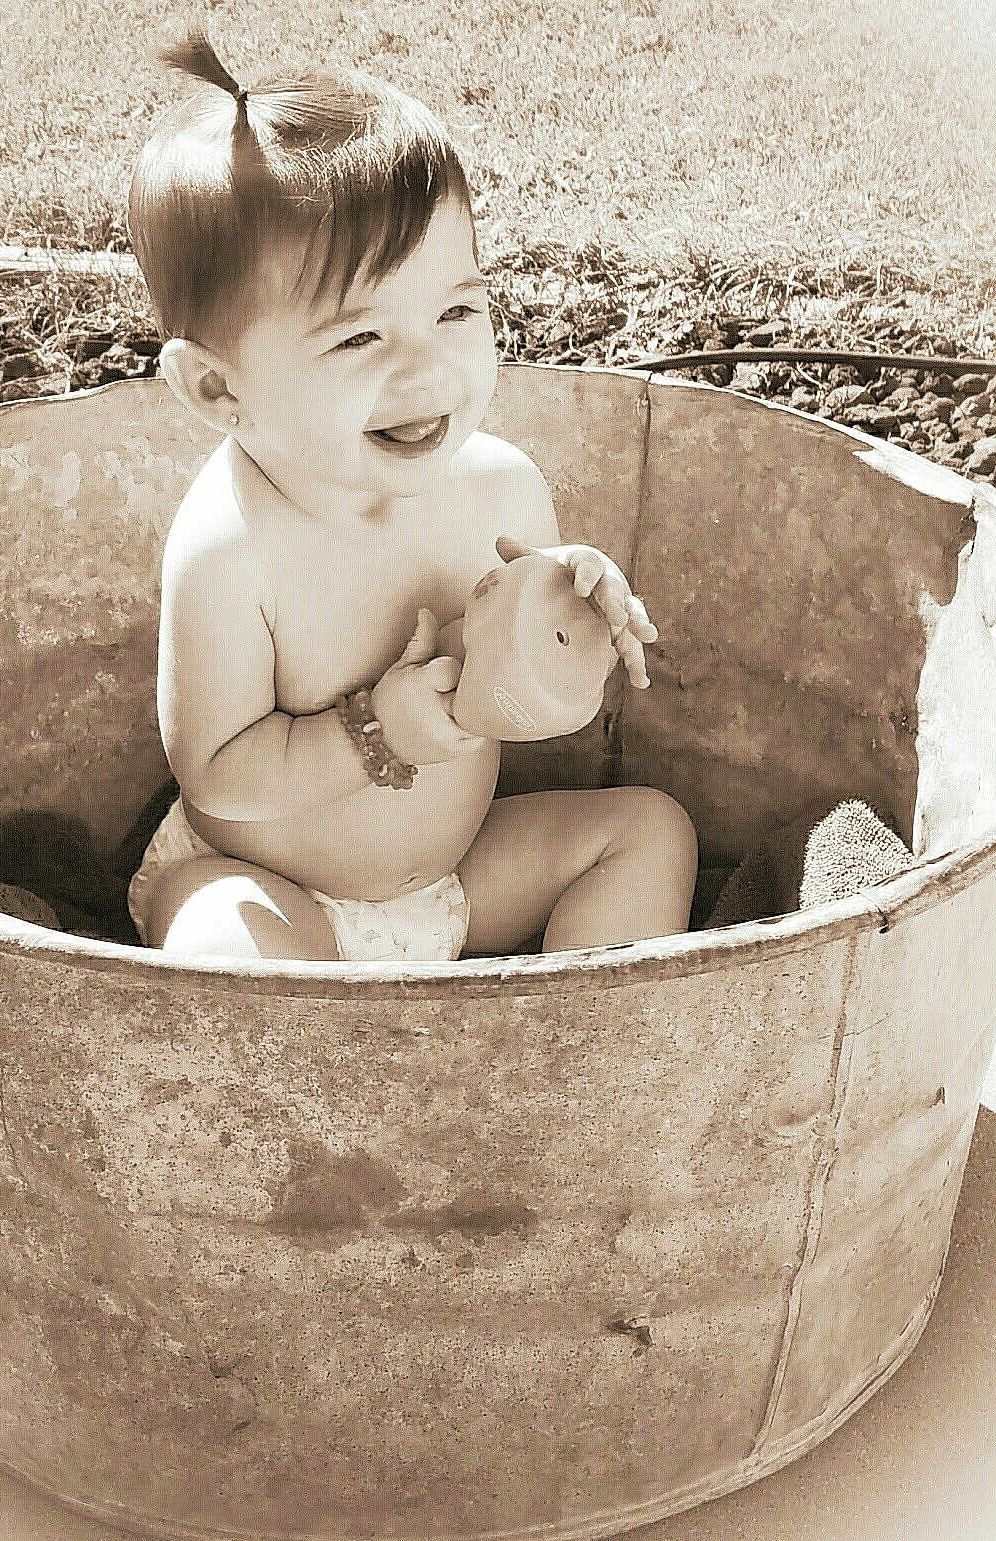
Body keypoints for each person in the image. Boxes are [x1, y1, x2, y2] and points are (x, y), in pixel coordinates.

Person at [124, 29, 697, 962]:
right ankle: (324, 1076)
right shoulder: (230, 551)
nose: (428, 369)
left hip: (453, 880)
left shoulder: (503, 488)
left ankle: (583, 1059)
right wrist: (371, 735)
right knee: (221, 942)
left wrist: (571, 609)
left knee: (648, 828)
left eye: (456, 311)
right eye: (359, 339)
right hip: (273, 890)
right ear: (217, 391)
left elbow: (505, 689)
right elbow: (219, 775)